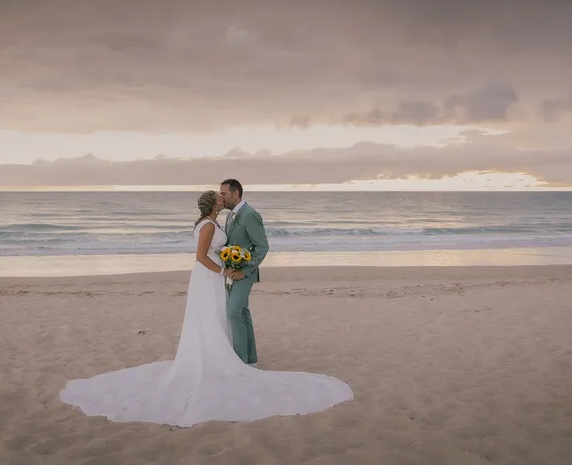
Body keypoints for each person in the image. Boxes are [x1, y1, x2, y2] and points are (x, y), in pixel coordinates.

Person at [59, 189, 353, 427]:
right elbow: (200, 256)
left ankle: (234, 355)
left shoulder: (216, 222)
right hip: (209, 276)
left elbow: (222, 249)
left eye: (225, 194)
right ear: (213, 205)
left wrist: (231, 264)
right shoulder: (210, 224)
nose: (222, 198)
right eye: (219, 197)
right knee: (213, 316)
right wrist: (224, 271)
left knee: (219, 316)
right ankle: (221, 358)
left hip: (213, 277)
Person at [218, 178, 267, 365]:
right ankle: (250, 360)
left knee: (233, 313)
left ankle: (239, 361)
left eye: (224, 194)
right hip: (232, 271)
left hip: (244, 273)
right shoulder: (230, 215)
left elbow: (262, 247)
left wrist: (244, 271)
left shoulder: (250, 214)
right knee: (243, 314)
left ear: (236, 193)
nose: (221, 198)